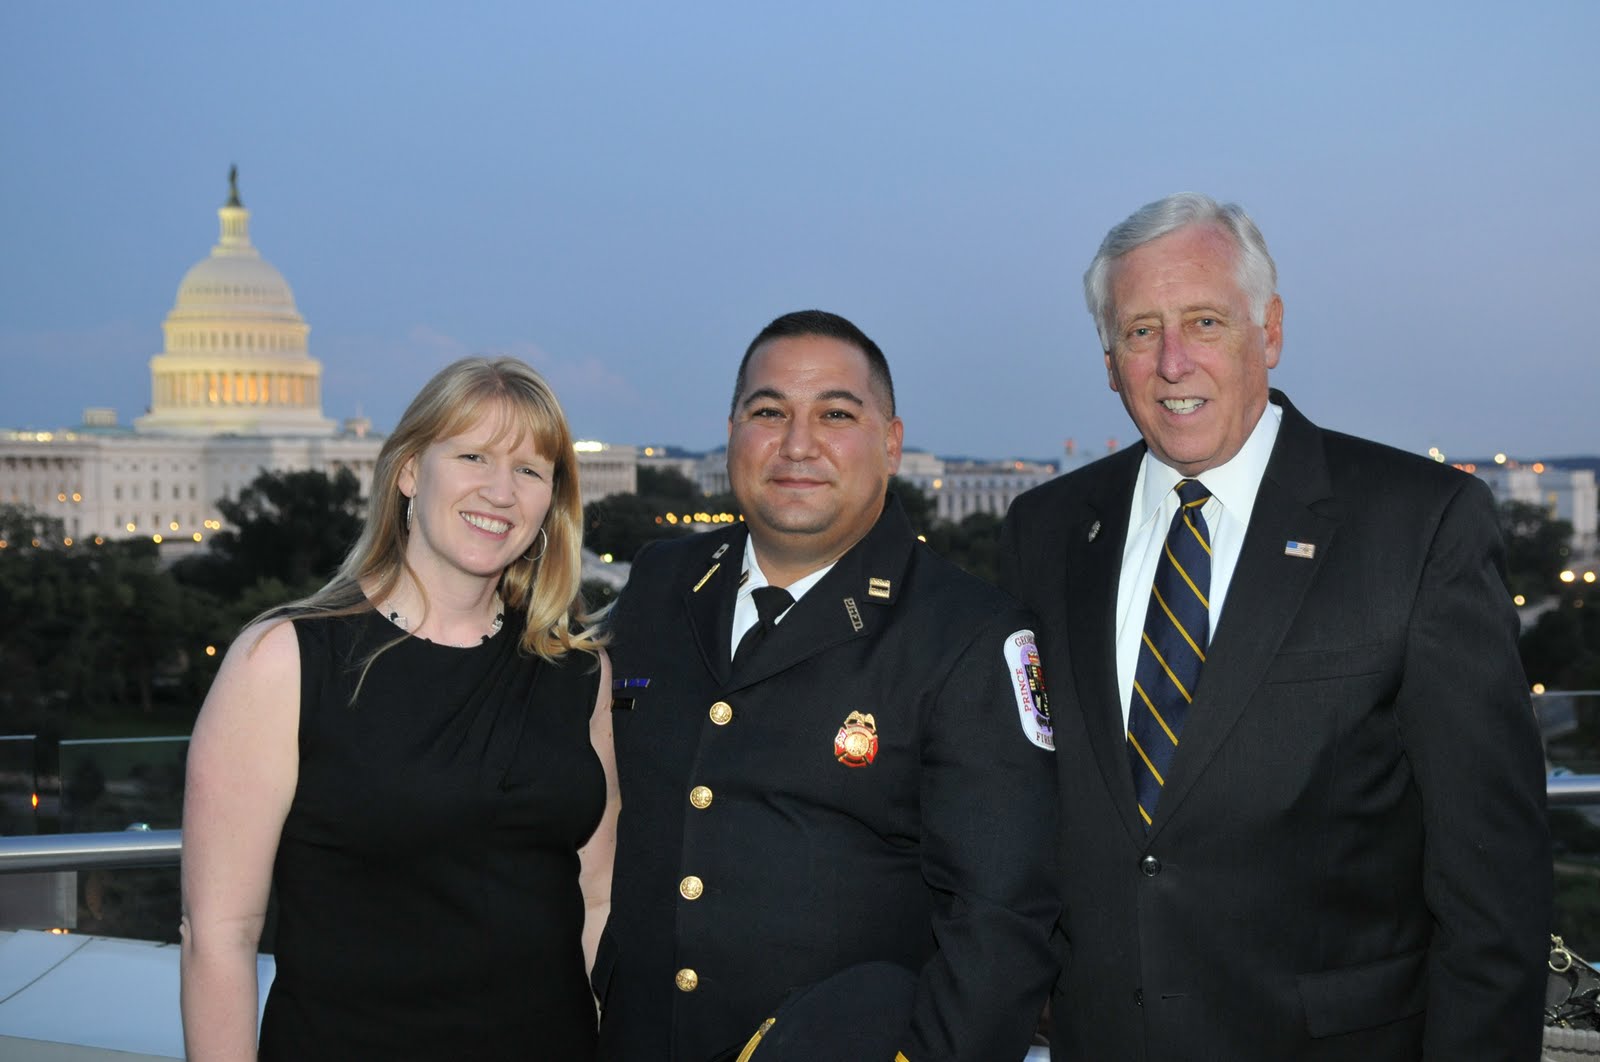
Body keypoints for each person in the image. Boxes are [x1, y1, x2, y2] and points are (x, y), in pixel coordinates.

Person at [999, 193, 1552, 1060]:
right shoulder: (1044, 533)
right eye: (1141, 331)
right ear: (1109, 360)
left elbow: (1495, 880)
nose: (1173, 362)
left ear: (1272, 332)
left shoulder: (1417, 524)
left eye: (1205, 321)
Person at [596, 310, 1058, 1061]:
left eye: (835, 414)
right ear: (733, 430)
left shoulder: (967, 634)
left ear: (891, 442)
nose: (797, 444)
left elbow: (1000, 926)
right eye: (768, 411)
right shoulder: (660, 583)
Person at [179, 356, 619, 1060]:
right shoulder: (286, 662)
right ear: (410, 472)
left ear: (550, 504)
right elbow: (220, 934)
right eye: (473, 456)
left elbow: (596, 904)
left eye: (530, 470)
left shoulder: (578, 674)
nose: (500, 491)